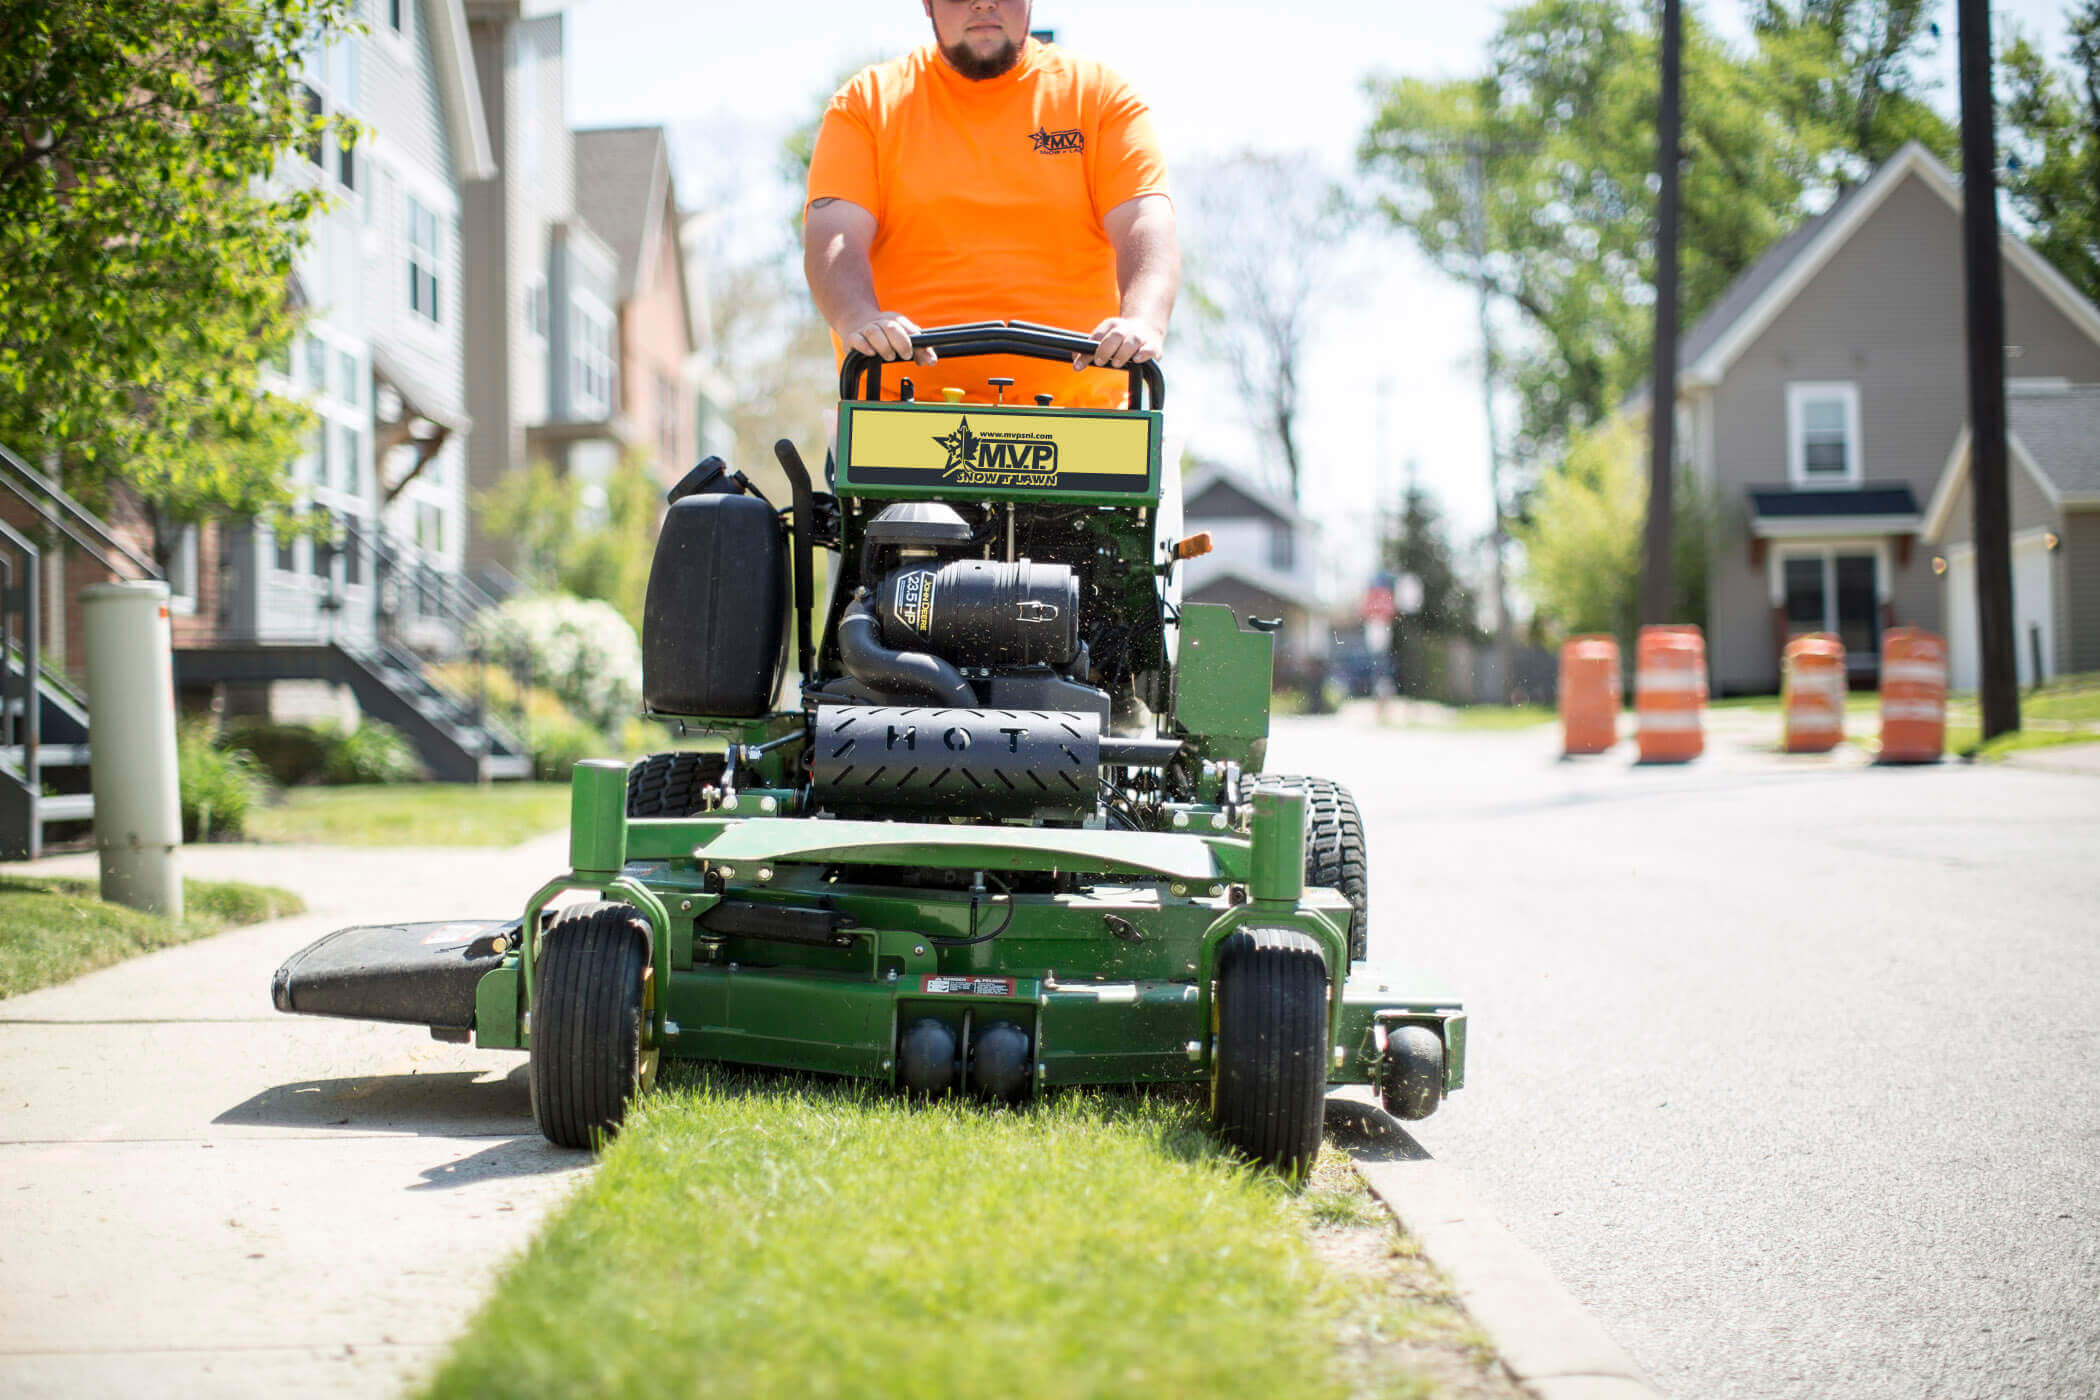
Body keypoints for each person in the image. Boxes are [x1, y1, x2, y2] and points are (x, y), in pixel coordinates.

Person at [802, 0, 1179, 408]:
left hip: (1086, 421)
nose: (982, 2)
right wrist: (858, 317)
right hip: (898, 417)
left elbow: (1145, 220)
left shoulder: (1102, 97)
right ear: (927, 4)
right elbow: (833, 233)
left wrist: (1142, 320)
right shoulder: (867, 104)